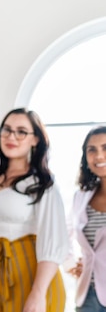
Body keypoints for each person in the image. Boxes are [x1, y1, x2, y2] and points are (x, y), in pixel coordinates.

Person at [0, 108, 68, 312]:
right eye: (7, 130)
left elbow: (53, 241)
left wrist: (38, 294)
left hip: (32, 271)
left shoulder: (42, 183)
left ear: (35, 139)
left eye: (21, 131)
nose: (11, 136)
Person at [66, 126, 106, 311]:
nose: (98, 156)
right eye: (92, 150)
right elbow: (64, 234)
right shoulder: (80, 197)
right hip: (88, 294)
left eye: (105, 148)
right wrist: (71, 263)